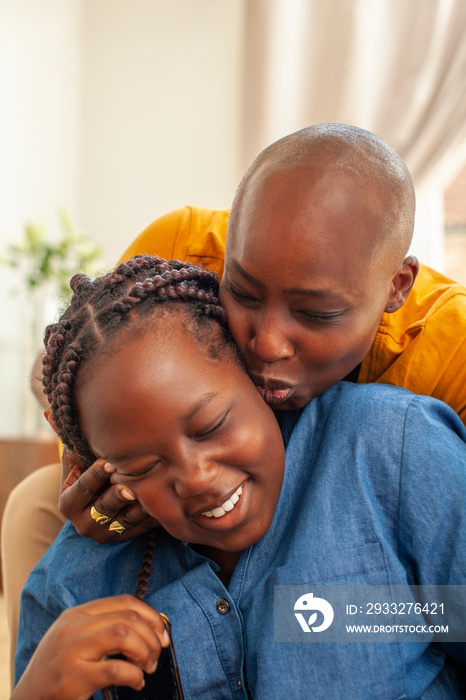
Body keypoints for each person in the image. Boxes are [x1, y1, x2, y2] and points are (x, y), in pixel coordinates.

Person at [4, 123, 466, 676]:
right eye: (243, 293)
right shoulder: (181, 253)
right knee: (36, 503)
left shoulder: (428, 388)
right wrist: (105, 484)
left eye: (316, 314)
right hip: (169, 519)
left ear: (396, 288)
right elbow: (97, 383)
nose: (266, 343)